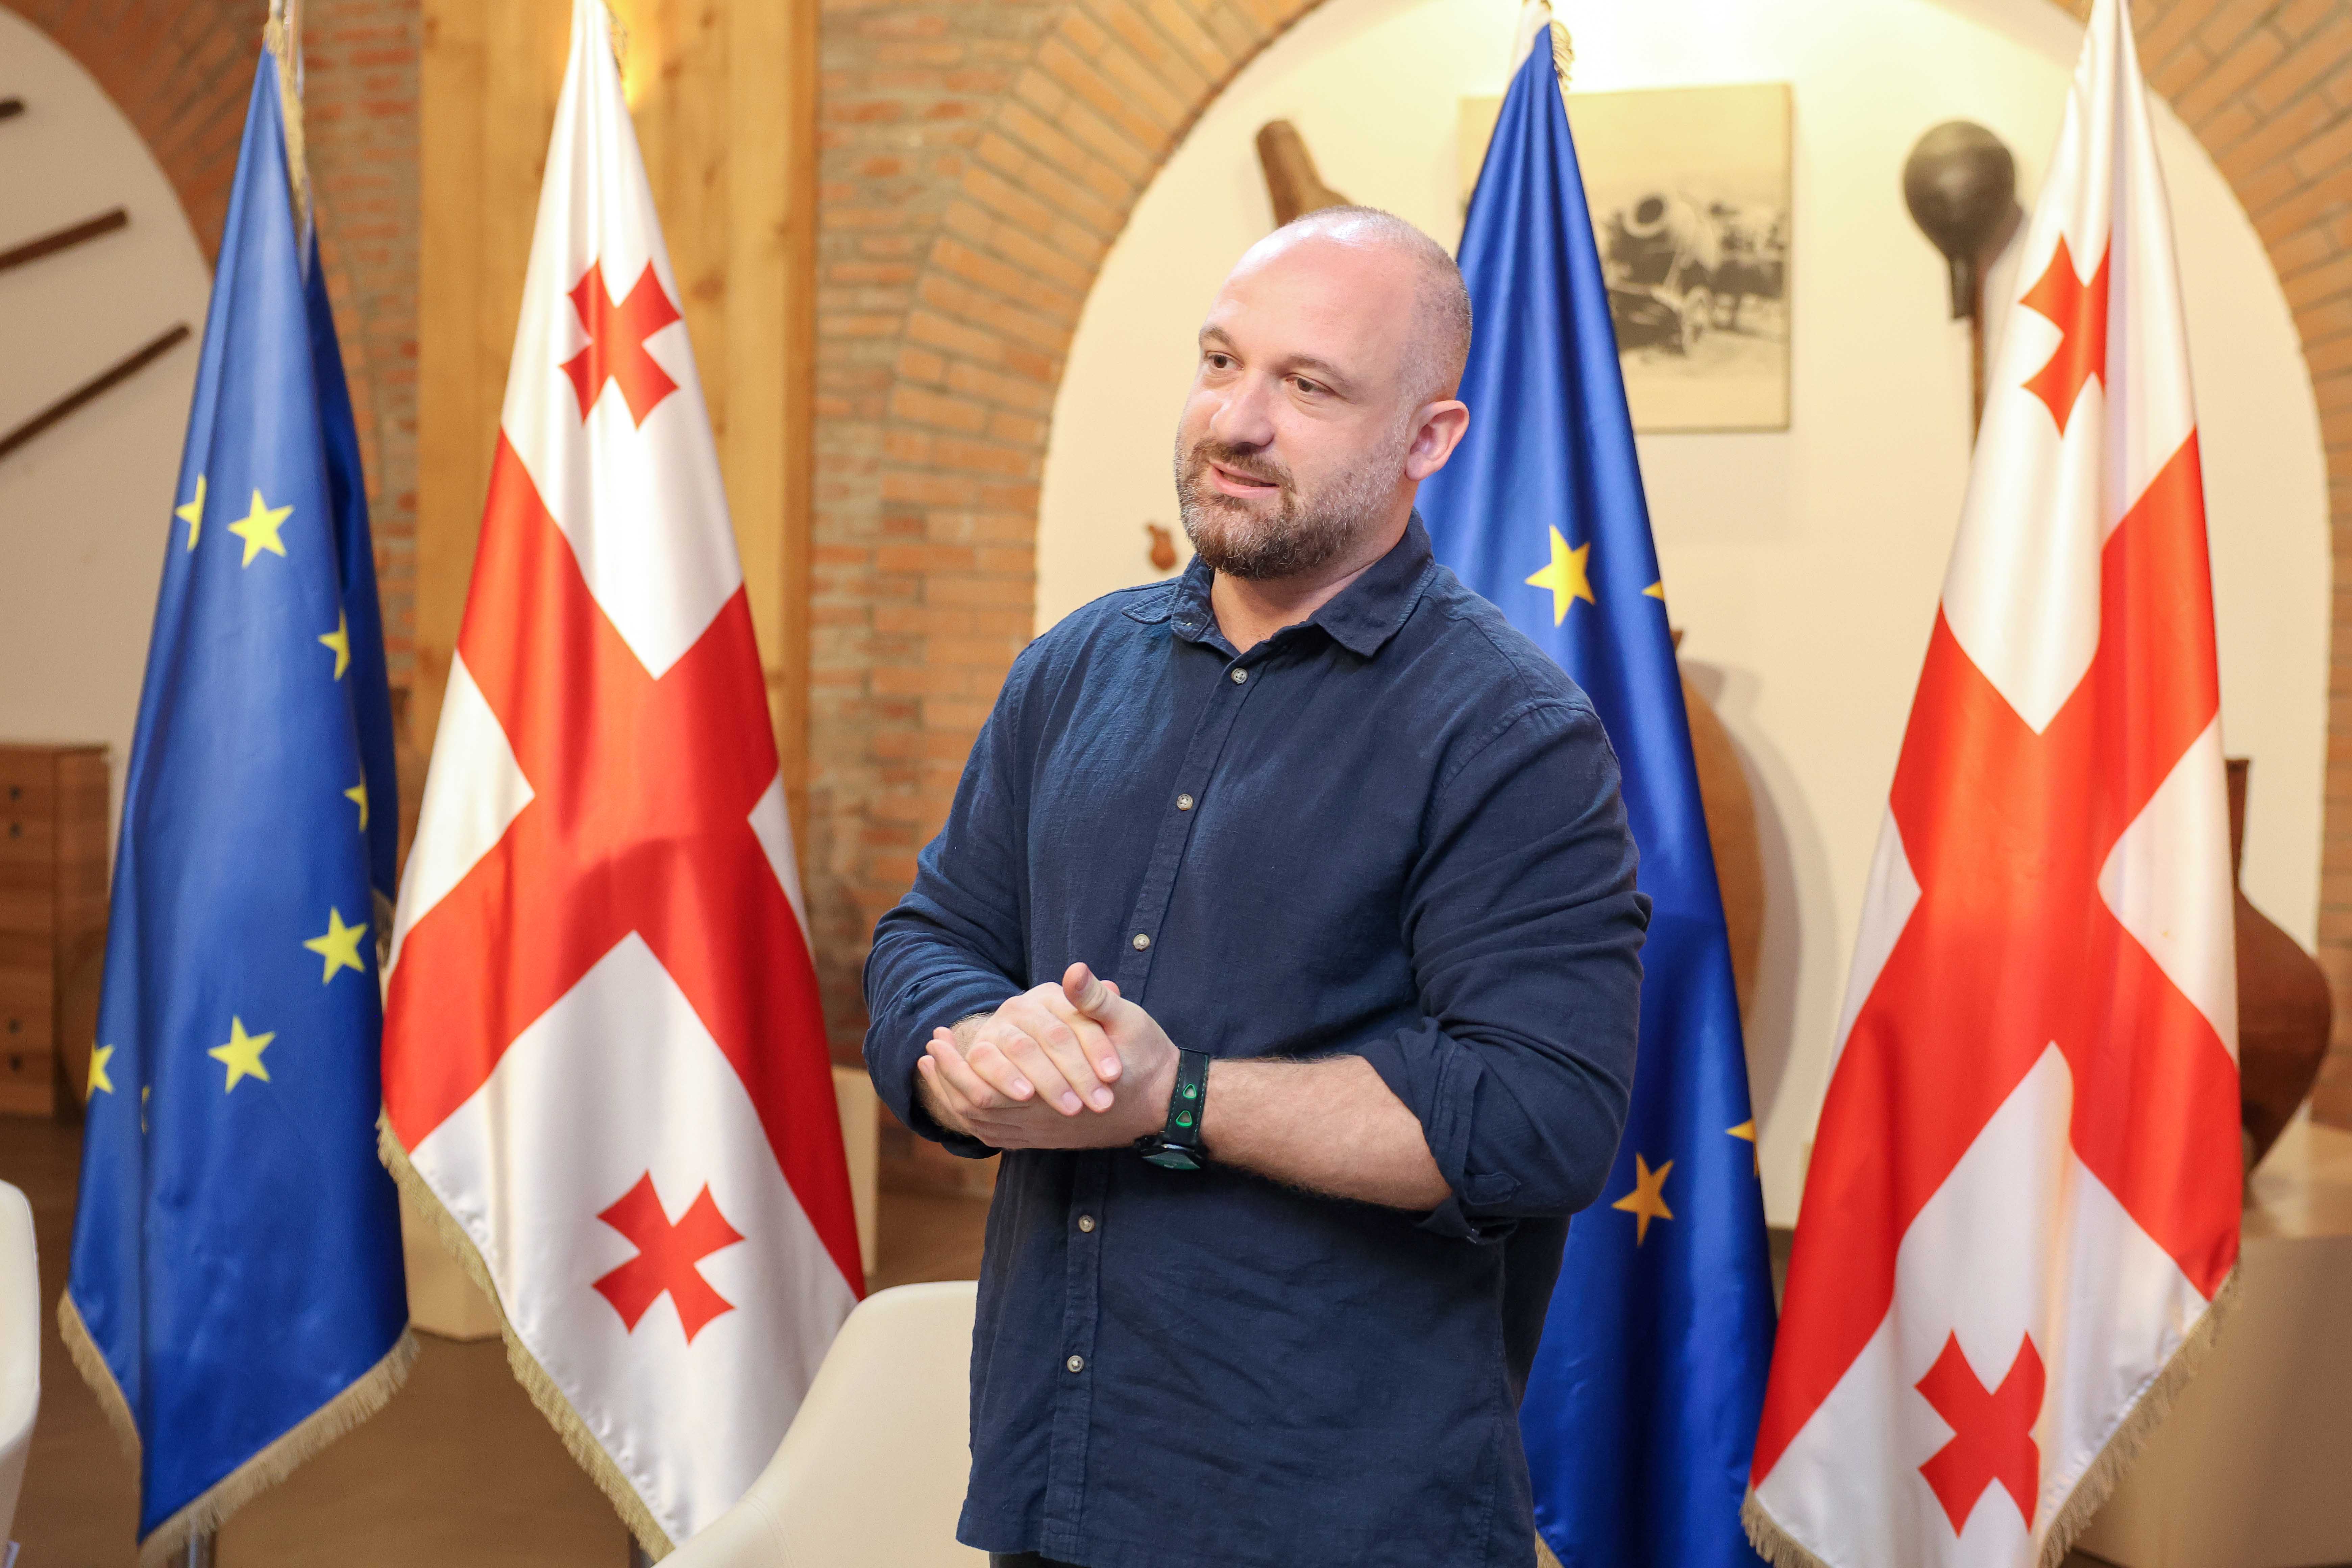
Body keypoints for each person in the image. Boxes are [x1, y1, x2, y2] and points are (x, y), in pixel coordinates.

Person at [863, 205, 1646, 1568]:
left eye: (1310, 386)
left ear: (1429, 440)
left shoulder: (1511, 733)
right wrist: (972, 1049)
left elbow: (1539, 1119)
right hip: (1053, 1481)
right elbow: (932, 936)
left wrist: (1177, 1096)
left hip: (1333, 1511)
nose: (1236, 421)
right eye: (1222, 361)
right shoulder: (1073, 667)